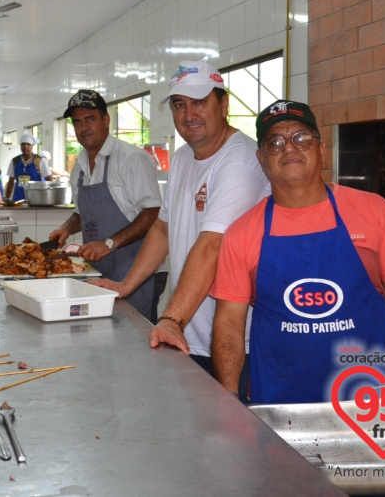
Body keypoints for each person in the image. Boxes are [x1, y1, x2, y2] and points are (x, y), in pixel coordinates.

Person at [210, 100, 385, 425]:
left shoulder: (374, 212)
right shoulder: (242, 233)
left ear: (321, 148)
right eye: (275, 142)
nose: (289, 147)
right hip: (279, 409)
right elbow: (229, 326)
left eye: (301, 137)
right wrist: (228, 397)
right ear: (261, 158)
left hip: (368, 406)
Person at [92, 62, 269, 391]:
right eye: (179, 104)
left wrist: (172, 319)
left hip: (236, 338)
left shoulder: (240, 161)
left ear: (224, 104)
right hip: (192, 329)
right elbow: (162, 227)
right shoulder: (185, 156)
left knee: (235, 434)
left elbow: (213, 246)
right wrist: (126, 285)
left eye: (199, 102)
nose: (189, 115)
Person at [48, 90, 163, 321]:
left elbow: (153, 213)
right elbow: (82, 213)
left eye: (90, 119)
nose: (84, 128)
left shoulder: (131, 159)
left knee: (133, 339)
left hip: (135, 271)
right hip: (98, 271)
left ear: (106, 120)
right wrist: (66, 229)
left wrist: (110, 243)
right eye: (77, 122)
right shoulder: (79, 166)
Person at [5, 134, 51, 203]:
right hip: (18, 200)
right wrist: (7, 199)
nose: (25, 146)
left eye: (28, 144)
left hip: (36, 200)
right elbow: (11, 182)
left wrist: (47, 198)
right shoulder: (15, 161)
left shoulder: (40, 161)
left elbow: (49, 180)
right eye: (23, 144)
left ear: (32, 146)